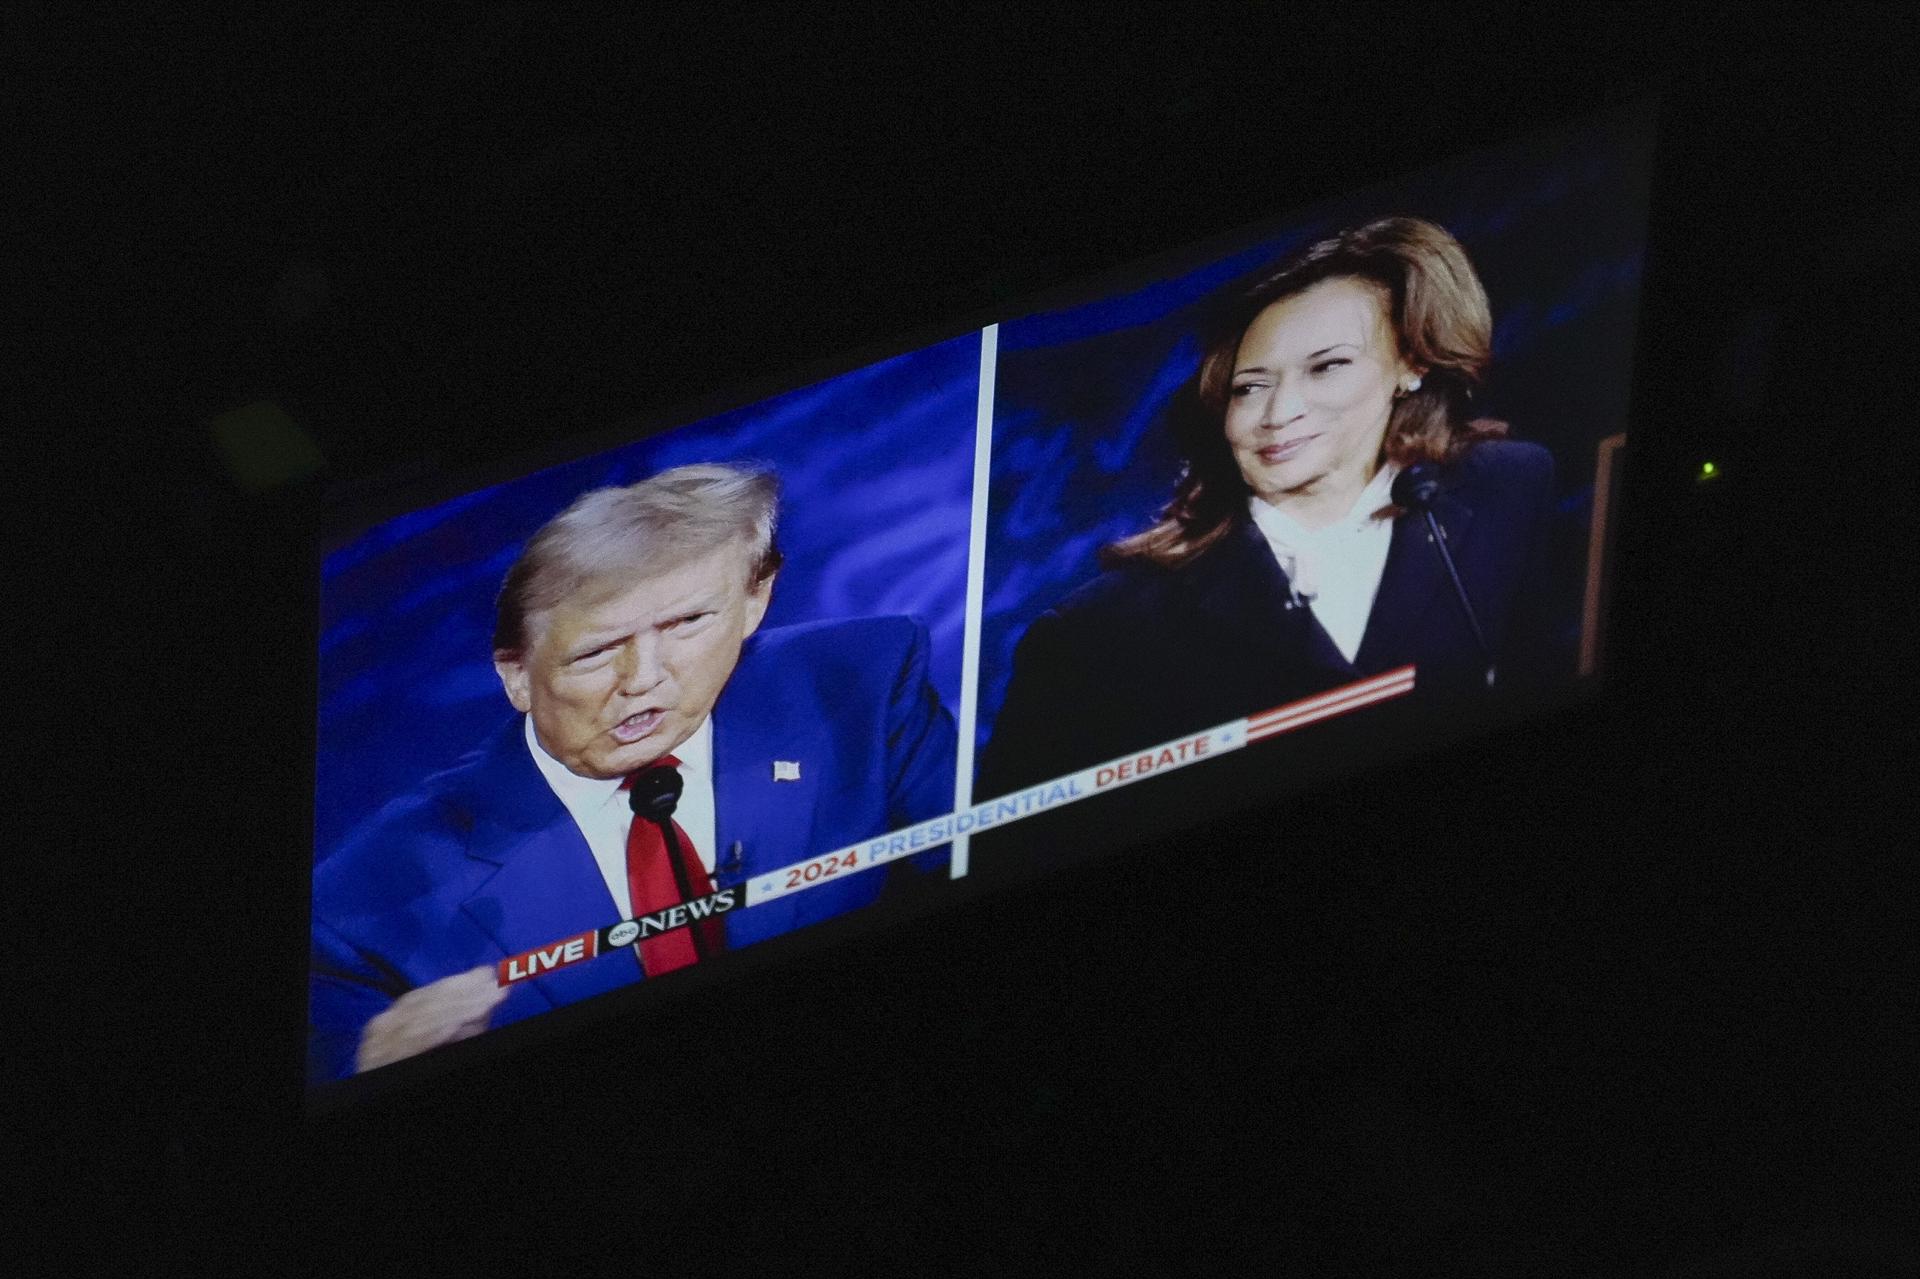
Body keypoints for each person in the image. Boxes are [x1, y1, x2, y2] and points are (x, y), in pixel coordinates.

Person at [310, 464, 956, 1082]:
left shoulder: (861, 687)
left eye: (687, 623)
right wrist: (365, 1065)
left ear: (755, 600)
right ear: (514, 674)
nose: (644, 679)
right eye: (596, 651)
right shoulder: (367, 901)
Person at [979, 217, 1567, 796]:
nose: (1279, 412)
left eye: (1327, 366)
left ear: (1410, 365)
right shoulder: (1095, 634)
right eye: (1250, 387)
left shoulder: (1507, 488)